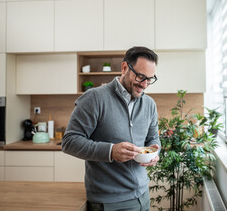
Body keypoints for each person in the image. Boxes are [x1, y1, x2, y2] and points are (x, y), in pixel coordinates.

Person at [62, 46, 161, 211]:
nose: (144, 85)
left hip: (143, 196)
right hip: (108, 201)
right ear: (124, 68)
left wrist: (155, 152)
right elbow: (69, 141)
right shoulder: (94, 98)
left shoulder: (149, 104)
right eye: (140, 76)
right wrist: (110, 151)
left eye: (150, 79)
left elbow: (153, 139)